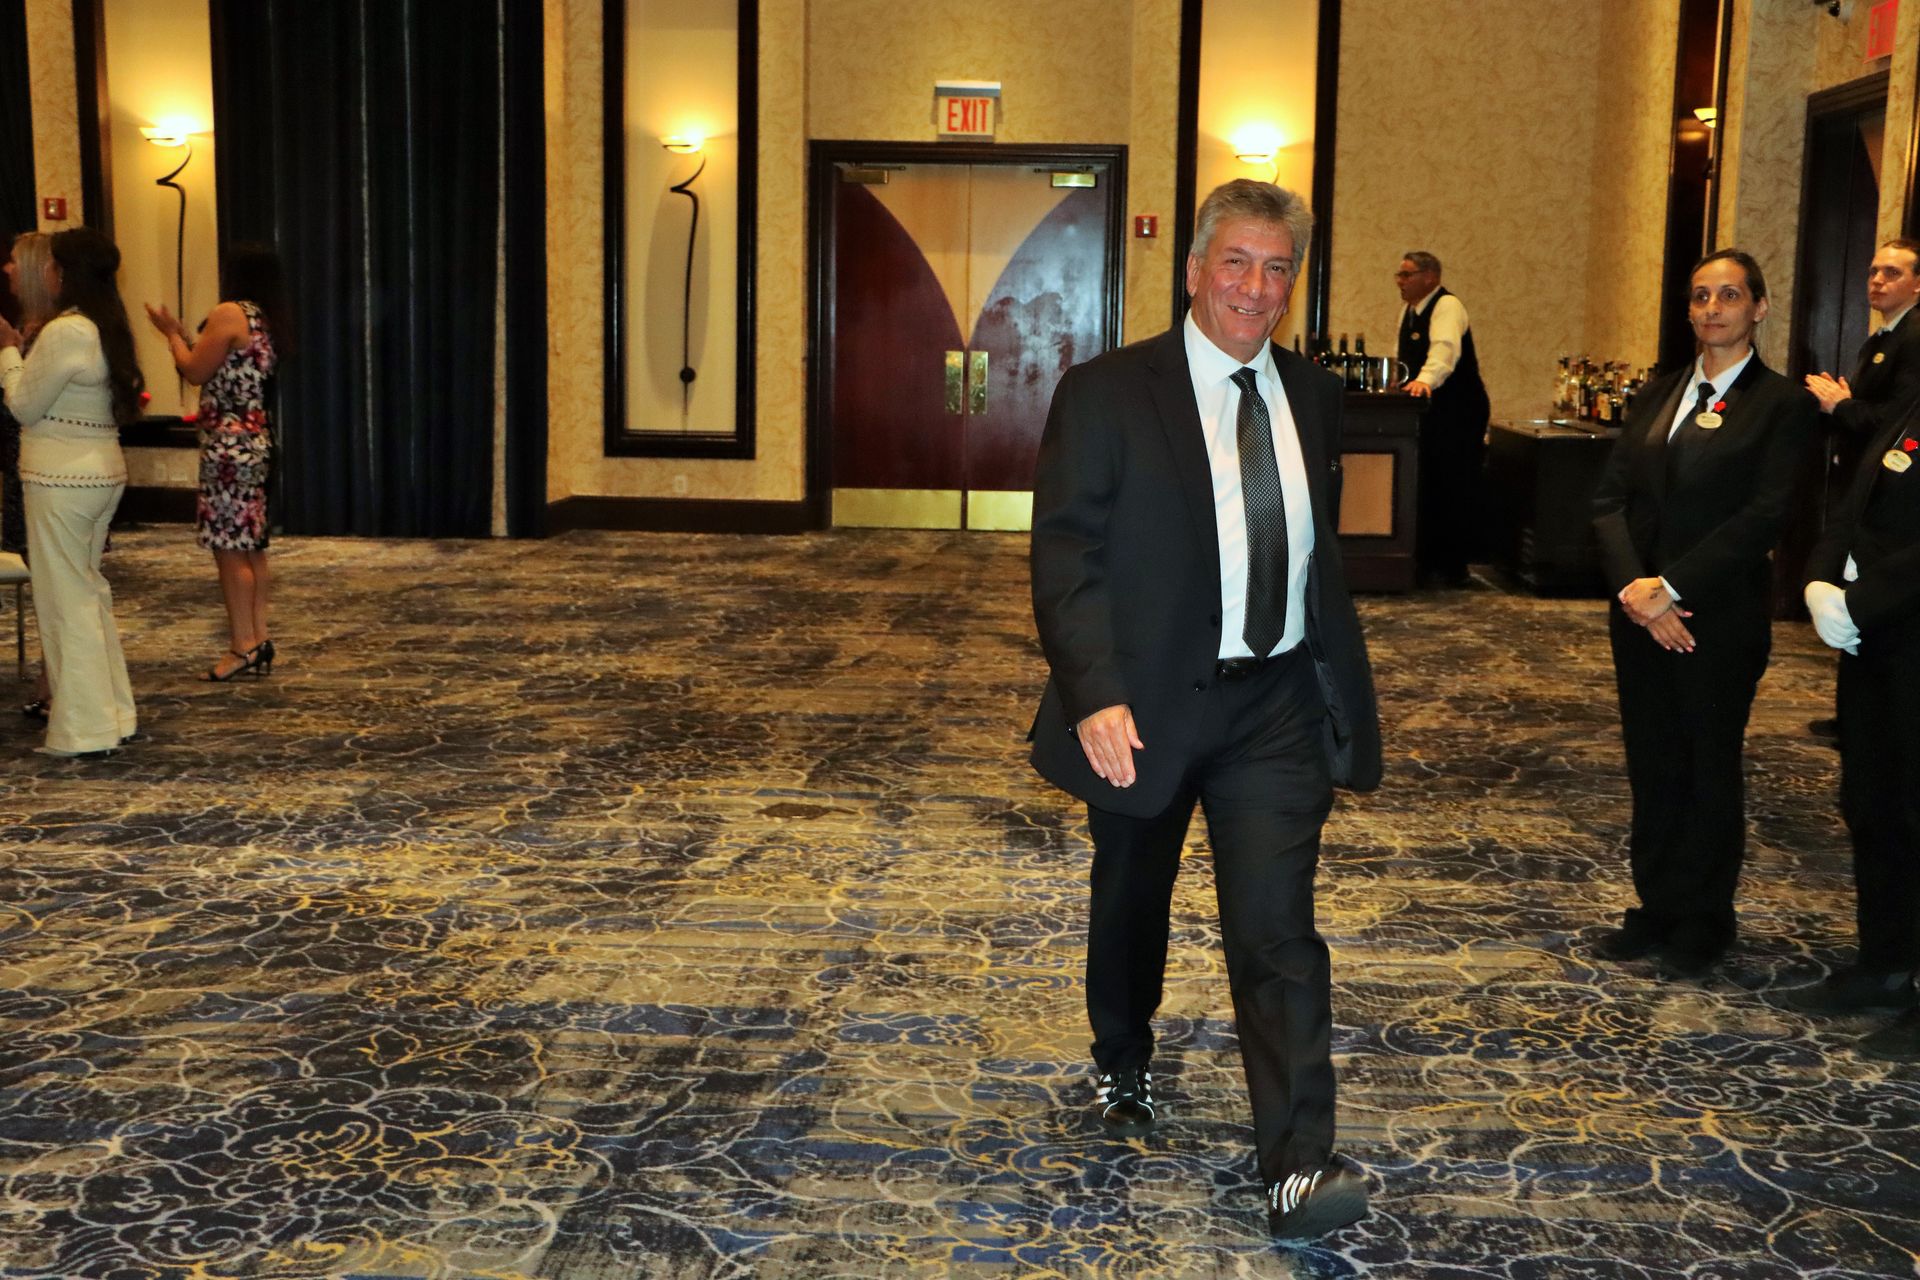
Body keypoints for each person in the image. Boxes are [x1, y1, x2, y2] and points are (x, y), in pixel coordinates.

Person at [1029, 179, 1382, 1241]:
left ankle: (1296, 1165)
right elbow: (1067, 554)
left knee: (1278, 934)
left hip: (1272, 701)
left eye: (1278, 268)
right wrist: (1095, 690)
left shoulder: (1311, 394)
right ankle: (1123, 1053)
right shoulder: (1107, 392)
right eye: (1237, 262)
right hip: (1144, 702)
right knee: (1131, 893)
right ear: (1193, 270)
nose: (1257, 288)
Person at [1589, 249, 1817, 978]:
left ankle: (1704, 918)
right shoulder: (1659, 394)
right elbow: (1609, 501)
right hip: (1639, 615)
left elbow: (1764, 517)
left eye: (1729, 295)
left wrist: (1674, 588)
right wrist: (1638, 590)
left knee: (1707, 767)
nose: (1712, 308)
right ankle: (1655, 907)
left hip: (1715, 619)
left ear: (1759, 308)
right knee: (1653, 766)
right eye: (1699, 296)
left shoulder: (1782, 405)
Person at [1792, 399, 1920, 1060]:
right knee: (1873, 803)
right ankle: (1886, 963)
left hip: (1900, 626)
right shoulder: (1909, 407)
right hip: (1876, 645)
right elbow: (1854, 503)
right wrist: (1818, 581)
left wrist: (1860, 603)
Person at [0, 227, 143, 757]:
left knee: (67, 604)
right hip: (96, 473)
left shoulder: (66, 331)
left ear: (66, 271)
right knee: (88, 595)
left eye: (53, 265)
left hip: (62, 478)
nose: (46, 273)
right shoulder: (104, 323)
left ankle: (84, 729)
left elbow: (22, 407)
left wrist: (9, 353)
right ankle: (113, 715)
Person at [144, 244, 285, 681]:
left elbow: (194, 370)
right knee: (251, 547)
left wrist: (170, 334)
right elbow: (212, 361)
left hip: (228, 447)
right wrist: (184, 334)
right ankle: (257, 637)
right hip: (255, 440)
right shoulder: (265, 316)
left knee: (228, 549)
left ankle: (241, 644)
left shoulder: (229, 312)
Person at [1802, 239, 1920, 739]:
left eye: (1891, 272)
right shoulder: (1881, 338)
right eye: (1873, 270)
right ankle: (1853, 716)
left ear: (1917, 283)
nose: (1876, 280)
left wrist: (1840, 407)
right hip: (1864, 491)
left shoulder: (1914, 336)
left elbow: (1900, 421)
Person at [1394, 251, 1490, 588]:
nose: (1400, 281)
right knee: (1428, 482)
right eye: (1400, 275)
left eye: (1407, 274)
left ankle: (1453, 566)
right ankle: (1428, 559)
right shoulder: (1409, 311)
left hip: (1458, 410)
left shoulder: (1447, 306)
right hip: (1430, 411)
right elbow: (1406, 357)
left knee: (1454, 483)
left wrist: (1425, 380)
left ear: (1431, 277)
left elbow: (1445, 351)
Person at [2, 233, 57, 717]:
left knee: (54, 584)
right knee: (47, 583)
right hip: (27, 469)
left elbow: (21, 408)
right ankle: (50, 678)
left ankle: (53, 682)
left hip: (41, 470)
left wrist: (8, 354)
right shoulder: (34, 328)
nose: (6, 269)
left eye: (15, 262)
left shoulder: (46, 333)